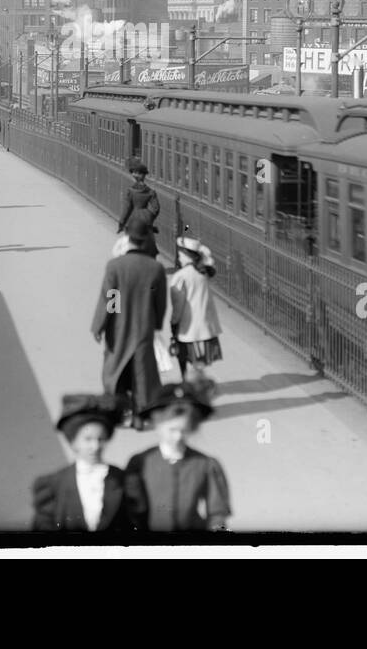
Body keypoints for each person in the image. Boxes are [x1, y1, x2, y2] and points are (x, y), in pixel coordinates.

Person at [91, 209, 166, 428]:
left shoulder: (115, 267)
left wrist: (101, 324)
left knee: (117, 368)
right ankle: (141, 415)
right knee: (142, 371)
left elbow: (110, 298)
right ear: (146, 240)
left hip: (119, 326)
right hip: (143, 326)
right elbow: (159, 302)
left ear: (128, 239)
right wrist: (157, 323)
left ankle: (119, 411)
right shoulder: (155, 268)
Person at [30, 394, 149, 533]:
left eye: (101, 439)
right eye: (88, 439)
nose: (95, 446)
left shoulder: (123, 479)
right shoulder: (52, 484)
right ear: (73, 442)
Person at [125, 383, 231, 532]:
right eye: (172, 430)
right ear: (157, 425)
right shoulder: (140, 462)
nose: (178, 437)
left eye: (183, 430)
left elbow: (217, 512)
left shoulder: (206, 464)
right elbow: (132, 510)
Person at [167, 237, 223, 397]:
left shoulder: (181, 276)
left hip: (188, 328)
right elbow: (207, 259)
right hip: (205, 327)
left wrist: (173, 324)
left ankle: (190, 388)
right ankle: (199, 384)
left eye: (181, 254)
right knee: (198, 362)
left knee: (184, 359)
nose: (179, 257)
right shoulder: (203, 273)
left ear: (186, 255)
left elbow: (178, 306)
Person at [116, 159, 160, 234]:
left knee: (127, 243)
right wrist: (149, 218)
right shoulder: (151, 192)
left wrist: (121, 223)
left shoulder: (131, 191)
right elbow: (156, 208)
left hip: (133, 220)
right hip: (146, 221)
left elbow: (127, 208)